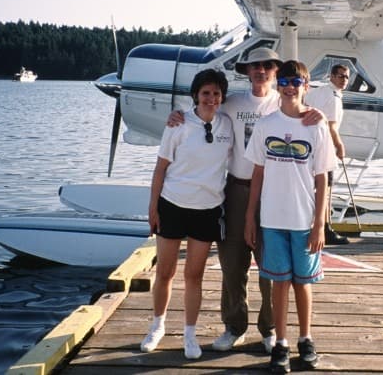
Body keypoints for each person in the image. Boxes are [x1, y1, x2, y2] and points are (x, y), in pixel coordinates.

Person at [166, 47, 324, 355]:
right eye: (254, 65)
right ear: (246, 71)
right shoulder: (233, 103)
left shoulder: (288, 102)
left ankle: (269, 330)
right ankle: (234, 326)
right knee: (232, 262)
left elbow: (312, 120)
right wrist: (177, 115)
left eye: (267, 65)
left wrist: (320, 114)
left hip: (275, 191)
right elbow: (201, 111)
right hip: (237, 189)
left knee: (271, 263)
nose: (260, 70)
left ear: (277, 72)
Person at [244, 60, 333, 373]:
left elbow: (322, 178)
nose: (290, 86)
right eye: (284, 80)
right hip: (271, 219)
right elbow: (257, 173)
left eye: (297, 81)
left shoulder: (316, 126)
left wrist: (319, 224)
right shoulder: (266, 125)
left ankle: (305, 338)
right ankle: (280, 342)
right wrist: (250, 218)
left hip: (304, 220)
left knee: (302, 283)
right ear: (277, 85)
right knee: (278, 283)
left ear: (306, 87)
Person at [140, 69, 233, 359]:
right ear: (196, 95)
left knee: (194, 275)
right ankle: (157, 325)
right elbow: (160, 169)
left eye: (216, 94)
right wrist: (152, 208)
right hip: (173, 205)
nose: (211, 98)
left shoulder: (227, 125)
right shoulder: (177, 124)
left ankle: (190, 334)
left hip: (207, 210)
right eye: (206, 93)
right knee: (165, 272)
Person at [304, 64, 351, 245]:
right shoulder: (333, 98)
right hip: (324, 146)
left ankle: (321, 224)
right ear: (331, 76)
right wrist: (339, 145)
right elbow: (331, 126)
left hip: (311, 144)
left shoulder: (321, 91)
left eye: (346, 77)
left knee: (320, 187)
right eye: (340, 76)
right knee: (326, 188)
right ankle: (325, 227)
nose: (343, 80)